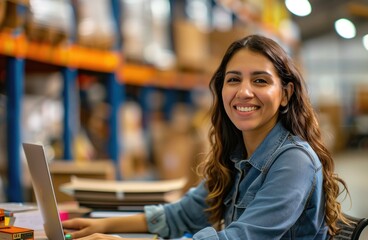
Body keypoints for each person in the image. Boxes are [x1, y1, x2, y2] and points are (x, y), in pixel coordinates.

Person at [62, 34, 350, 239]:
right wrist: (101, 227)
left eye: (260, 80)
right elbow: (182, 215)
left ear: (285, 94)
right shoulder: (238, 156)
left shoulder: (294, 162)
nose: (244, 91)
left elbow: (241, 237)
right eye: (233, 79)